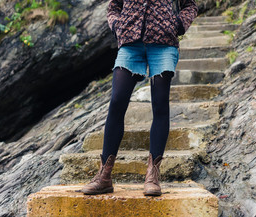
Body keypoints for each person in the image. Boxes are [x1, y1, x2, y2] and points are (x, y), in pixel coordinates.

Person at [81, 0, 198, 196]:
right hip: (130, 45)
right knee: (117, 101)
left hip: (163, 45)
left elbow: (190, 6)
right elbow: (113, 6)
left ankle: (152, 176)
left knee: (160, 105)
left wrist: (178, 25)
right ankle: (104, 176)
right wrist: (117, 25)